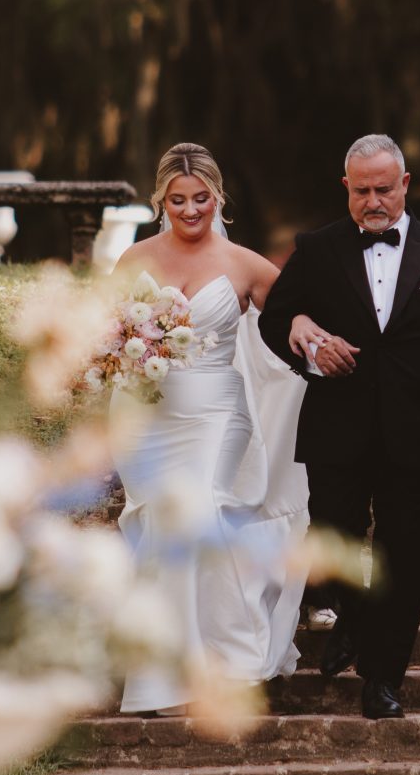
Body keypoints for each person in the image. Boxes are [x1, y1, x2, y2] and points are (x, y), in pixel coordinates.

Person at [258, 132, 420, 719]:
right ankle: (352, 619)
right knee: (336, 536)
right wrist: (309, 344)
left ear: (405, 186)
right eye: (362, 190)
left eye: (384, 190)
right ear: (346, 188)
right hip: (337, 429)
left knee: (407, 556)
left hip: (419, 434)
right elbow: (274, 321)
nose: (374, 201)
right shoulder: (316, 250)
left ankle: (383, 680)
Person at [109, 143, 307, 714]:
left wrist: (312, 334)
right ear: (160, 200)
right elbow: (104, 333)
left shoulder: (243, 263)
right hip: (152, 418)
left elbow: (291, 313)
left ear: (218, 198)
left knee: (192, 512)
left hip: (221, 415)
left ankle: (226, 667)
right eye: (178, 200)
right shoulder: (134, 262)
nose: (190, 210)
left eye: (201, 198)